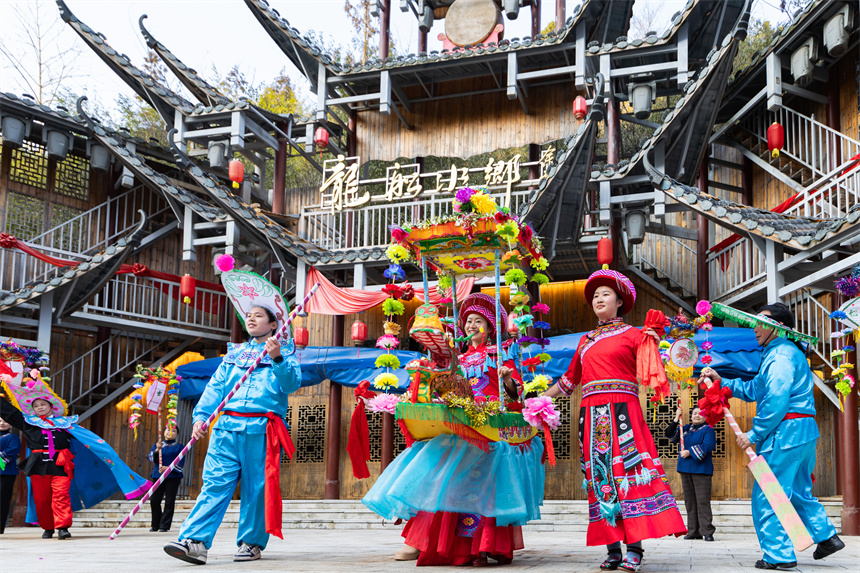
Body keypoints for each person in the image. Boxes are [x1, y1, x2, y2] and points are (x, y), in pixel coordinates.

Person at [545, 269, 686, 572]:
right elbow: (569, 381)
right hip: (591, 418)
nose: (598, 298)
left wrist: (666, 343)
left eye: (605, 293)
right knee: (600, 477)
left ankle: (634, 547)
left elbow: (660, 362)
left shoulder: (635, 334)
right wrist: (540, 400)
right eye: (595, 295)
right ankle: (612, 549)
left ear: (620, 301)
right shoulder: (585, 341)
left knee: (629, 474)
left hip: (623, 414)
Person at [698, 302, 845, 570]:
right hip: (803, 432)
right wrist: (723, 381)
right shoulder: (784, 353)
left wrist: (754, 433)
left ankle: (778, 555)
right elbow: (755, 389)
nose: (755, 328)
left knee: (769, 494)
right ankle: (826, 536)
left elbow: (776, 400)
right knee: (799, 490)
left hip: (784, 433)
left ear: (778, 327)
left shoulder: (780, 356)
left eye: (761, 322)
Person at [164, 306, 301, 566]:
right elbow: (216, 386)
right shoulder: (234, 353)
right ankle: (195, 542)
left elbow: (291, 384)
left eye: (258, 315)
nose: (250, 318)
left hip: (263, 429)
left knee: (257, 488)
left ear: (274, 325)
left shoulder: (286, 351)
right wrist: (201, 417)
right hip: (226, 427)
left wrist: (278, 359)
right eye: (249, 315)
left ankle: (251, 542)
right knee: (214, 484)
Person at [397, 293, 525, 567]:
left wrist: (507, 378)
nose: (471, 326)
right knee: (437, 475)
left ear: (490, 328)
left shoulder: (498, 354)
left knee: (478, 484)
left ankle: (480, 544)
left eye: (478, 321)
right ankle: (424, 540)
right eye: (468, 322)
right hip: (457, 423)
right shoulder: (457, 359)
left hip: (485, 425)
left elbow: (515, 395)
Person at [0, 368, 151, 541]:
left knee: (61, 495)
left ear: (51, 406)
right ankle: (48, 527)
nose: (39, 407)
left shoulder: (66, 424)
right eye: (36, 406)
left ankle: (63, 527)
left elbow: (90, 441)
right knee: (42, 499)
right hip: (38, 464)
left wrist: (108, 454)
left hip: (61, 462)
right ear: (32, 409)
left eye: (43, 404)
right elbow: (8, 412)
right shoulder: (28, 423)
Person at [665, 406, 716, 541]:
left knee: (702, 501)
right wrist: (676, 418)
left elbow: (708, 446)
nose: (697, 415)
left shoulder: (708, 429)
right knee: (690, 502)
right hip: (685, 468)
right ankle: (693, 531)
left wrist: (690, 452)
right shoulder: (685, 428)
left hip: (701, 469)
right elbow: (669, 434)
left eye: (700, 413)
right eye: (694, 413)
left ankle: (707, 531)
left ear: (705, 416)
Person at [148, 426, 184, 532]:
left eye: (174, 431)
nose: (170, 432)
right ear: (164, 432)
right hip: (158, 475)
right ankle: (155, 524)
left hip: (173, 476)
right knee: (154, 500)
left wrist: (168, 468)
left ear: (177, 434)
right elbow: (150, 458)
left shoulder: (179, 447)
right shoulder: (158, 445)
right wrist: (156, 450)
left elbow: (181, 463)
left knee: (169, 501)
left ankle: (164, 525)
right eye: (168, 430)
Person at [0, 416, 21, 534]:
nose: (2, 423)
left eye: (5, 421)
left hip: (6, 473)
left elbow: (12, 451)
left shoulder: (13, 438)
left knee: (2, 499)